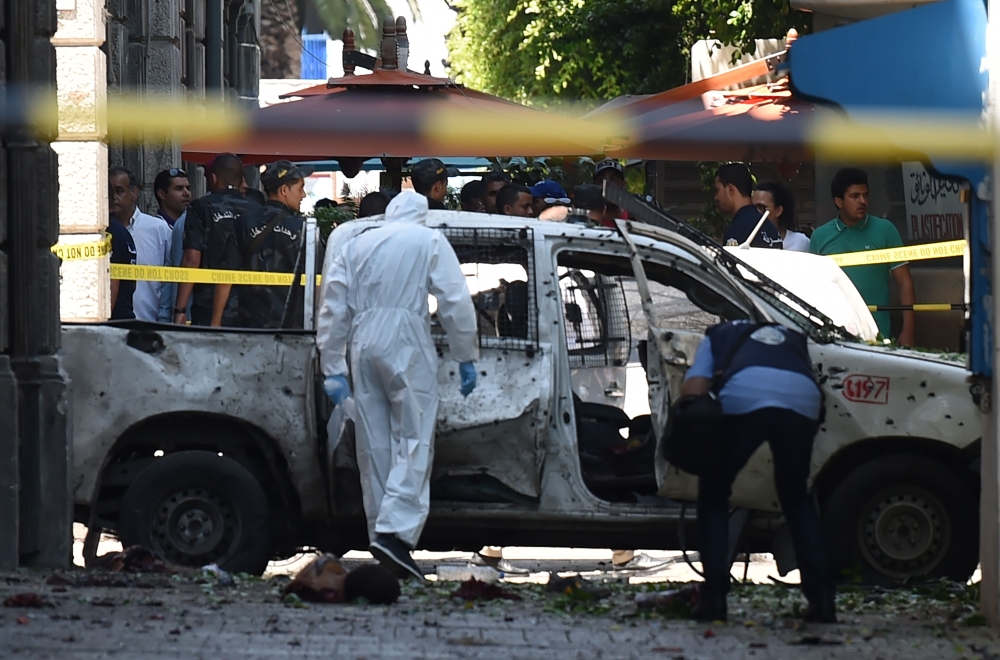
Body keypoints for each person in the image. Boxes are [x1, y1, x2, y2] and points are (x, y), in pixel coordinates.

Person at [316, 191, 479, 580]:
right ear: (421, 216)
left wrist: (333, 367)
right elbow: (453, 300)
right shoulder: (428, 240)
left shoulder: (356, 245)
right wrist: (465, 354)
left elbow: (333, 305)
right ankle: (395, 534)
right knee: (414, 436)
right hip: (406, 338)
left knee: (373, 446)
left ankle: (382, 540)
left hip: (362, 340)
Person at [681, 320, 835, 623]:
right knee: (796, 497)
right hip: (803, 399)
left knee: (714, 493)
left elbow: (694, 389)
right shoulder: (791, 337)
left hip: (744, 396)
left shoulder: (717, 336)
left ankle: (713, 598)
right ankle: (822, 600)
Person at [809, 168, 915, 345]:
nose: (862, 201)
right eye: (855, 196)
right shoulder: (820, 236)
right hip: (834, 331)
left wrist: (908, 332)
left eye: (865, 195)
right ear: (838, 201)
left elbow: (905, 283)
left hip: (877, 333)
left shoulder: (886, 230)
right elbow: (814, 288)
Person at [174, 153, 256, 327]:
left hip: (209, 307)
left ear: (213, 178)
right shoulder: (257, 210)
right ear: (241, 179)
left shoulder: (201, 208)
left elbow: (191, 259)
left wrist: (180, 310)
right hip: (250, 308)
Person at [233, 160, 313, 329]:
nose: (303, 195)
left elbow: (226, 273)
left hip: (250, 325)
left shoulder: (243, 223)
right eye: (300, 188)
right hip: (293, 327)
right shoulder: (304, 228)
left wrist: (216, 323)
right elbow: (318, 279)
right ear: (284, 190)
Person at [108, 167, 171, 322]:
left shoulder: (158, 229)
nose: (114, 197)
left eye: (119, 191)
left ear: (134, 193)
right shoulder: (99, 234)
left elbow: (171, 280)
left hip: (150, 322)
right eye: (110, 193)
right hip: (114, 322)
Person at [154, 168, 192, 322]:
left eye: (188, 188)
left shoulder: (192, 228)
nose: (186, 193)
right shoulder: (154, 229)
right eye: (178, 189)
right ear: (162, 194)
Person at [714, 163, 782, 249]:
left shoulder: (736, 230)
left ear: (730, 189)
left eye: (717, 190)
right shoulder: (771, 228)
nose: (716, 197)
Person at [106, 182, 137, 320]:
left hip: (114, 320)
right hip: (124, 315)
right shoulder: (123, 232)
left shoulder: (109, 234)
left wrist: (103, 321)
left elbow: (113, 285)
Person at [753, 181, 809, 252]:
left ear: (778, 210)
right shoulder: (747, 240)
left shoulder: (800, 242)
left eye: (761, 207)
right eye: (752, 207)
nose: (756, 212)